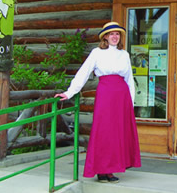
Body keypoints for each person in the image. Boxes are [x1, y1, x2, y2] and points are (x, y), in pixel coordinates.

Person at [55, 21, 141, 183]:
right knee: (104, 131)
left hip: (122, 96)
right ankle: (101, 170)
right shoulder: (97, 53)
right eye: (111, 34)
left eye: (117, 34)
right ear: (106, 37)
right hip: (106, 94)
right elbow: (84, 73)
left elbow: (129, 79)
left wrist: (131, 101)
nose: (115, 37)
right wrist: (69, 92)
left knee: (117, 132)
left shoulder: (125, 55)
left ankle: (112, 168)